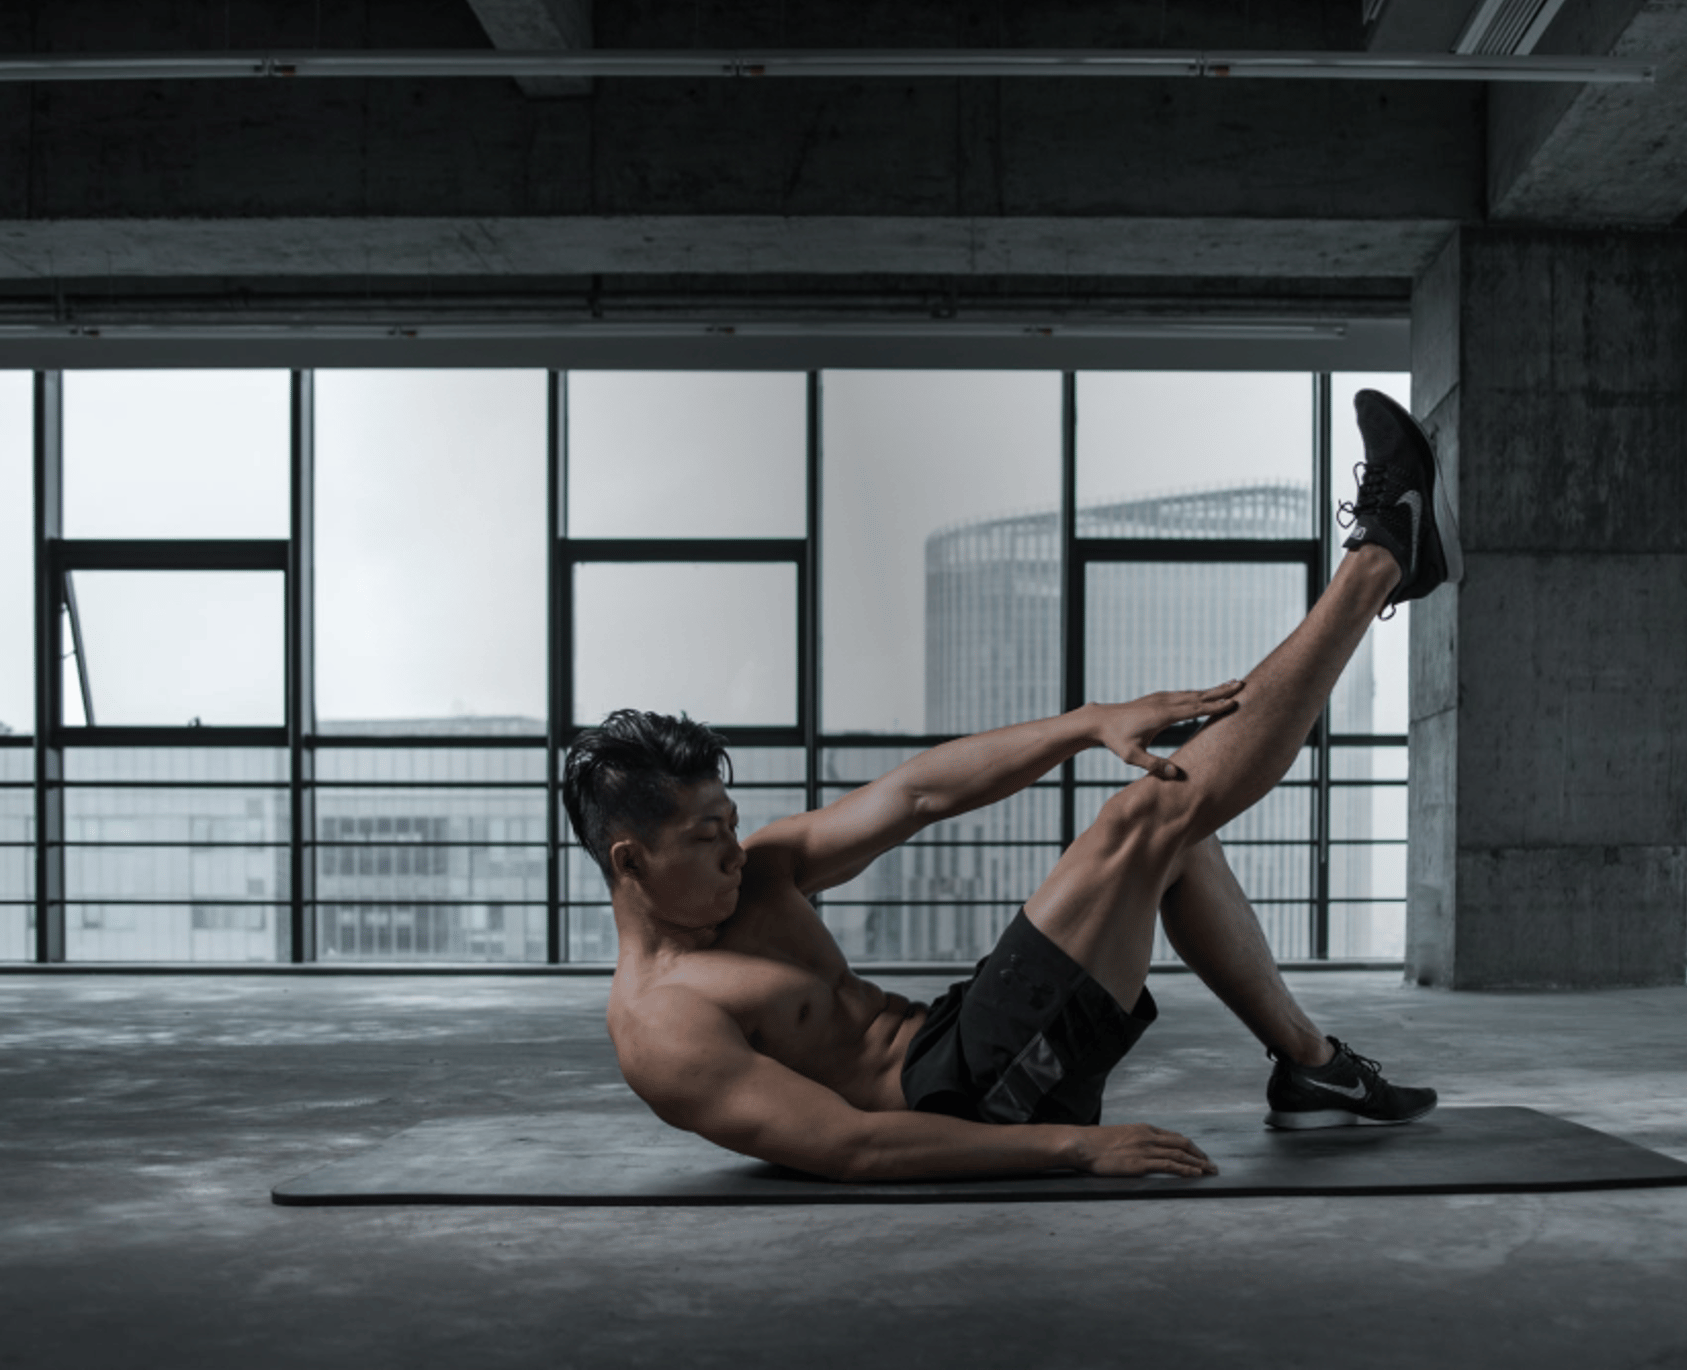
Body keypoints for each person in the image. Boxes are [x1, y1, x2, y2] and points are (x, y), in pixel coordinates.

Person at [563, 390, 1461, 1181]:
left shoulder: (756, 873)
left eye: (729, 821)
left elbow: (917, 794)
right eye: (704, 837)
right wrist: (1072, 1149)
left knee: (1176, 839)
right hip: (967, 1105)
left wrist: (1086, 722)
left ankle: (1312, 1065)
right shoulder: (661, 1025)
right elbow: (852, 1149)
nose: (733, 848)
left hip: (962, 1040)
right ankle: (1384, 555)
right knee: (1153, 810)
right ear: (630, 859)